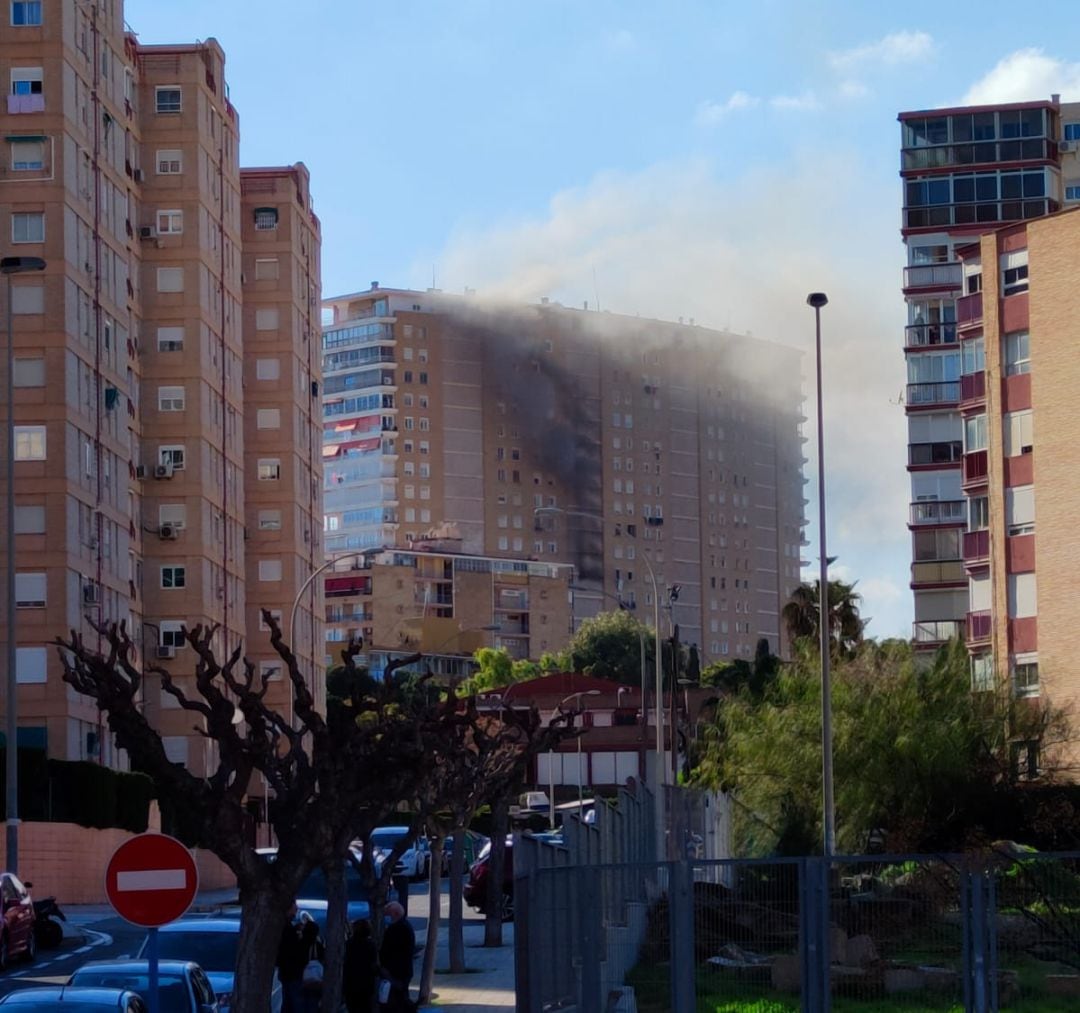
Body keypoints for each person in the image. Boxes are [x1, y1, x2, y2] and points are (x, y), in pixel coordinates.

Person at [277, 902, 321, 1013]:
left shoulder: (286, 929)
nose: (296, 910)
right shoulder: (289, 932)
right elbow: (297, 954)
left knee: (290, 1004)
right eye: (294, 907)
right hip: (295, 977)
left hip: (288, 975)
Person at [378, 901, 416, 1012]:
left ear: (394, 914)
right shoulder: (405, 926)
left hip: (396, 973)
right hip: (401, 971)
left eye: (388, 914)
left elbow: (390, 951)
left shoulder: (397, 929)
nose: (388, 918)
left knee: (396, 1002)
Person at [343, 918, 379, 1013]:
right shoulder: (371, 945)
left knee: (352, 1007)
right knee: (366, 1007)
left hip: (351, 982)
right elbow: (373, 963)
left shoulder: (349, 944)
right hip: (366, 983)